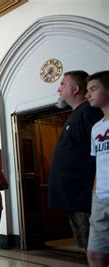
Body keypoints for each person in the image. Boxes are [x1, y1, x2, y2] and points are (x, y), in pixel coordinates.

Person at [48, 70, 103, 249]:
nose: (59, 89)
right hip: (74, 197)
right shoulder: (76, 114)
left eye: (63, 84)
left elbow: (101, 153)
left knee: (96, 248)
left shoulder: (89, 112)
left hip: (84, 196)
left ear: (76, 89)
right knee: (87, 248)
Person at [84, 70, 109, 267]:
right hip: (100, 196)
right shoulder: (97, 127)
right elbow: (98, 162)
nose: (87, 95)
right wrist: (95, 192)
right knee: (95, 254)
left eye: (93, 89)